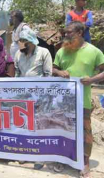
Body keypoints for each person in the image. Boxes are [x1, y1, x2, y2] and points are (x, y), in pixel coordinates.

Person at [53, 21, 104, 177]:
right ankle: (62, 158)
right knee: (63, 129)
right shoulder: (62, 51)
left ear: (80, 33)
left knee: (85, 131)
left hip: (83, 100)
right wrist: (59, 72)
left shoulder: (94, 52)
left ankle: (85, 162)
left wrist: (92, 80)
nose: (66, 35)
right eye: (65, 33)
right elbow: (53, 69)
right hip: (63, 101)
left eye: (69, 33)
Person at [14, 27, 52, 170]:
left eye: (23, 41)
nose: (20, 44)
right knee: (24, 125)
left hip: (40, 96)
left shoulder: (44, 52)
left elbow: (48, 75)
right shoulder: (18, 54)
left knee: (39, 127)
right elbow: (17, 74)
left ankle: (40, 156)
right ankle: (25, 153)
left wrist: (45, 97)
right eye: (20, 41)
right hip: (24, 96)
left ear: (30, 41)